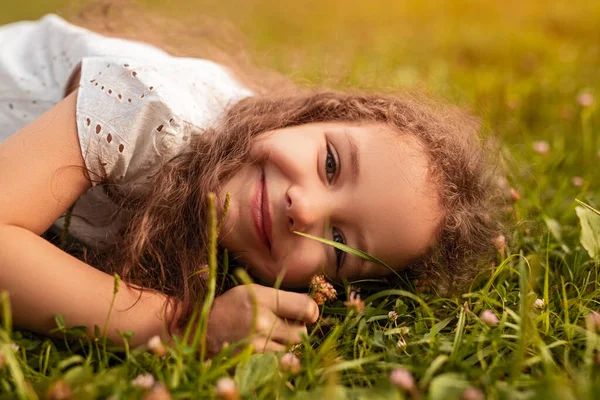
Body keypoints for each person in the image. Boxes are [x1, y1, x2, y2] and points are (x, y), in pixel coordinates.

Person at [0, 5, 505, 355]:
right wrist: (181, 326)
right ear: (307, 116)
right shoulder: (153, 111)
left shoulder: (227, 237)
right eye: (330, 164)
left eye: (336, 242)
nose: (304, 210)